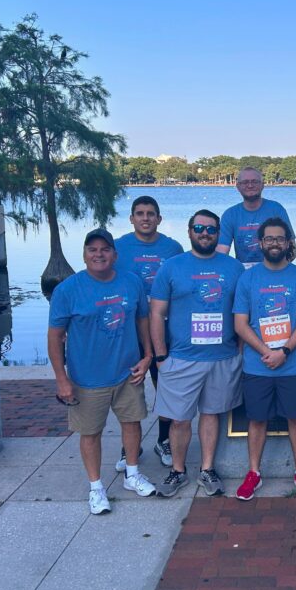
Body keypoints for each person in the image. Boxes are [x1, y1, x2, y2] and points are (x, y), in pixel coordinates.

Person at [47, 228, 157, 515]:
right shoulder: (67, 290)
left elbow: (143, 321)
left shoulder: (131, 283)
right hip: (87, 379)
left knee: (132, 423)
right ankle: (96, 488)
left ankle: (132, 474)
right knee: (90, 433)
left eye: (104, 249)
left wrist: (147, 356)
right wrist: (62, 378)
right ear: (84, 255)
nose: (99, 254)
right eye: (92, 250)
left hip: (127, 372)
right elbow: (55, 337)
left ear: (114, 254)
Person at [149, 210, 244, 497]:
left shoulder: (234, 267)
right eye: (199, 228)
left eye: (211, 229)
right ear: (189, 231)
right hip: (181, 358)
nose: (205, 233)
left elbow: (243, 311)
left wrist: (239, 350)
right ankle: (177, 470)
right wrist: (161, 356)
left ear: (219, 234)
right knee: (179, 419)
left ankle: (207, 469)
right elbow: (157, 313)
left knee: (211, 414)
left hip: (222, 358)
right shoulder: (171, 267)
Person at [231, 217, 296, 500]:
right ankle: (254, 473)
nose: (275, 243)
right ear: (260, 243)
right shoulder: (248, 279)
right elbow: (241, 324)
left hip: (294, 365)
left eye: (280, 239)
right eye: (269, 239)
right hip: (258, 365)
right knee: (256, 420)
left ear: (288, 242)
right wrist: (266, 352)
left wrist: (285, 352)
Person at [114, 195, 184, 471]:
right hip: (128, 330)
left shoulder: (172, 247)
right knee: (127, 389)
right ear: (131, 218)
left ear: (159, 218)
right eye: (140, 213)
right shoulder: (118, 248)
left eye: (150, 213)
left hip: (165, 330)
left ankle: (164, 439)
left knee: (165, 386)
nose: (145, 218)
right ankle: (128, 446)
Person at [216, 167, 294, 268]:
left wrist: (273, 270)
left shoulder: (276, 209)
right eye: (245, 182)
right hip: (244, 271)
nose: (250, 185)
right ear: (238, 186)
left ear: (262, 185)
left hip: (275, 269)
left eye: (255, 182)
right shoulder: (230, 214)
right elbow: (222, 252)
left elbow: (292, 249)